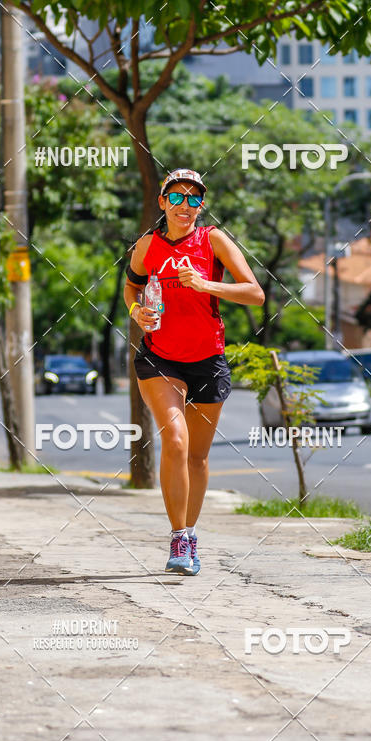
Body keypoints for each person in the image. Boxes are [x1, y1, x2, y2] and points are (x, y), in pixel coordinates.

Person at [124, 169, 265, 575]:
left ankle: (192, 531)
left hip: (208, 360)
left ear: (201, 206)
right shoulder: (146, 246)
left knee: (199, 458)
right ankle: (178, 536)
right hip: (159, 358)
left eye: (194, 199)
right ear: (163, 202)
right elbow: (131, 287)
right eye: (178, 197)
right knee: (176, 440)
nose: (186, 206)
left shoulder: (213, 240)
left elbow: (255, 294)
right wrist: (138, 312)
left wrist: (205, 284)